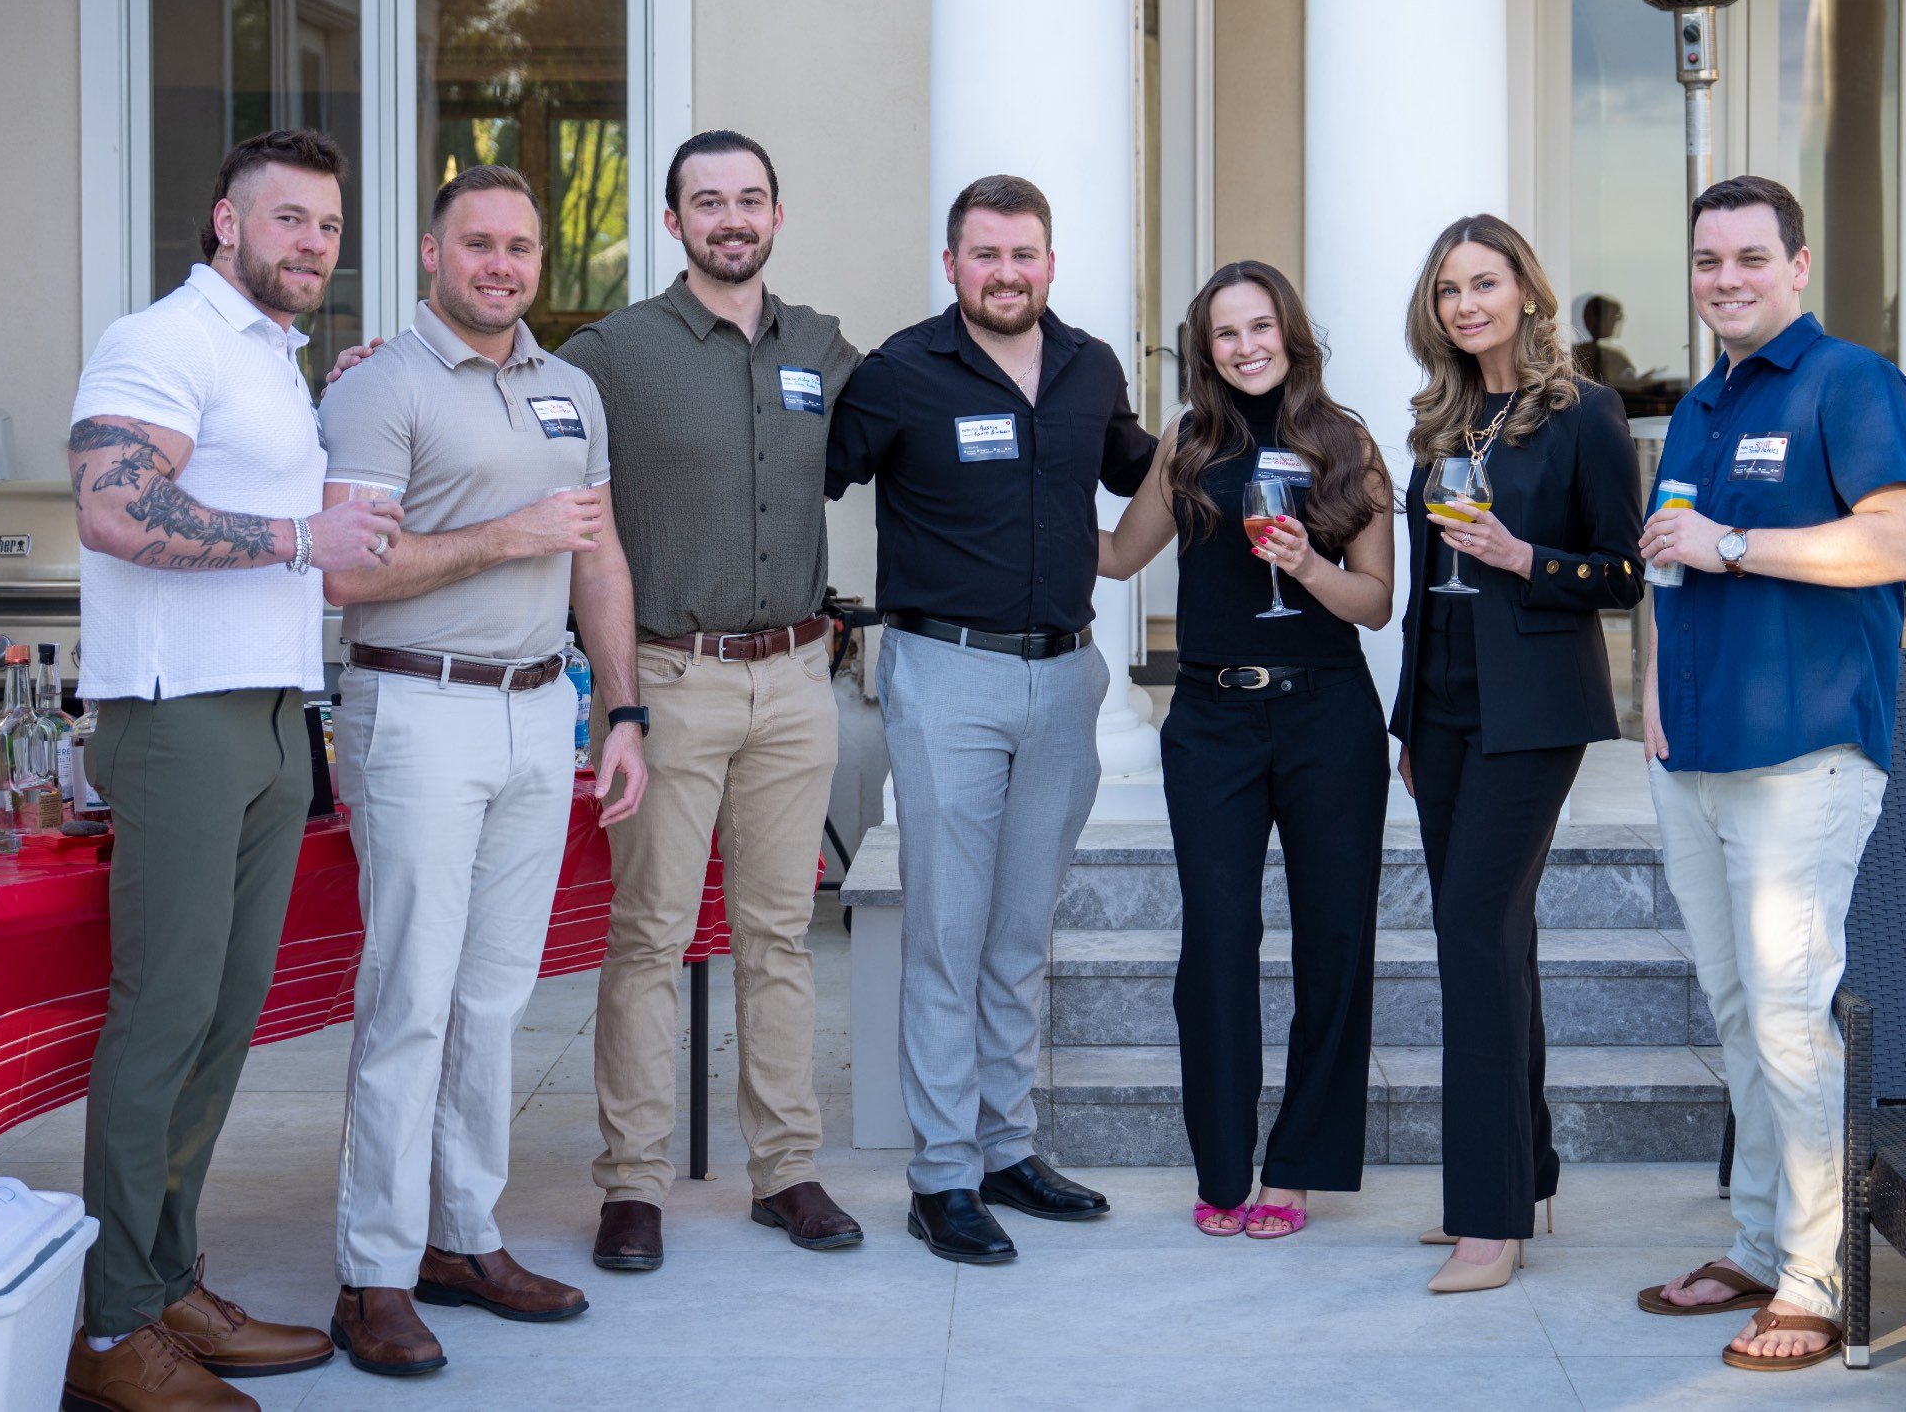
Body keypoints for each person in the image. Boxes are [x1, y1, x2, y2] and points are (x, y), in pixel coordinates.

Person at [64, 129, 399, 1412]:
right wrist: (293, 530)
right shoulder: (160, 339)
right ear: (225, 223)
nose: (312, 242)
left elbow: (257, 482)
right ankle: (109, 1329)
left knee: (221, 1017)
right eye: (287, 219)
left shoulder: (272, 359)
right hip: (176, 712)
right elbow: (113, 506)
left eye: (326, 223)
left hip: (270, 710)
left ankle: (165, 1277)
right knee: (160, 1016)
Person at [313, 164, 643, 1375]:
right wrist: (505, 536)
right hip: (414, 707)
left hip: (533, 713)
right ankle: (375, 1270)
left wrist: (622, 707)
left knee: (495, 996)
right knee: (409, 995)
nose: (500, 264)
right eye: (478, 244)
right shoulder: (381, 388)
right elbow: (347, 574)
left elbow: (596, 559)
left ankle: (464, 1235)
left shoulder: (569, 390)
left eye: (520, 246)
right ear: (429, 254)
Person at [825, 173, 1157, 1266]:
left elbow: (1139, 469)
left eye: (1023, 254)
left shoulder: (1088, 365)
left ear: (1048, 263)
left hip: (1063, 678)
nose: (1004, 273)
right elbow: (799, 474)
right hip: (944, 672)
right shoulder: (897, 374)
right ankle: (940, 1173)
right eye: (983, 254)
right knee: (945, 931)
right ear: (951, 264)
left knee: (1018, 932)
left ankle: (1007, 1146)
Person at [1636, 175, 1906, 1371]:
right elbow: (1666, 554)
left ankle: (1817, 1274)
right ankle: (1759, 1240)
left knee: (1788, 1019)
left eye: (1750, 258)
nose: (1726, 279)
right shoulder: (1702, 403)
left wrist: (1735, 543)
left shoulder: (1847, 381)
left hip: (1802, 754)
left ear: (1796, 266)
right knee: (1736, 1013)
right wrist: (1651, 698)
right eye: (1707, 260)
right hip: (1694, 756)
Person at [556, 131, 868, 1270]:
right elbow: (507, 399)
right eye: (706, 200)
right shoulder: (613, 351)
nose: (729, 217)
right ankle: (631, 1182)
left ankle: (784, 1167)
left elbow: (923, 415)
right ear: (674, 220)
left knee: (780, 935)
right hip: (667, 681)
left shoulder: (824, 347)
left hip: (796, 678)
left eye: (749, 198)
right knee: (646, 936)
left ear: (775, 216)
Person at [1096, 261, 1395, 1242]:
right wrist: (1023, 481)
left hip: (1325, 714)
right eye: (1224, 333)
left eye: (1259, 325)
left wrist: (1307, 562)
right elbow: (1117, 552)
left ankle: (1298, 1164)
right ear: (1204, 348)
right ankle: (1221, 1165)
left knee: (1334, 940)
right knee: (1217, 943)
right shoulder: (1186, 441)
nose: (1244, 345)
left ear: (1289, 332)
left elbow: (1374, 600)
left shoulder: (1345, 438)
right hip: (1210, 716)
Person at [1394, 216, 1643, 1294]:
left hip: (1532, 712)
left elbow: (1622, 573)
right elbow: (1419, 591)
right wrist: (1405, 720)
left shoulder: (1584, 411)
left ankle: (1487, 1218)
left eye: (1483, 283)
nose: (1465, 304)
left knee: (1469, 934)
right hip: (1443, 710)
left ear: (1527, 293)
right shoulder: (1441, 417)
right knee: (1501, 939)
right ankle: (1526, 1171)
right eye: (1448, 288)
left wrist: (1519, 553)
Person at [1571, 293, 1637, 388]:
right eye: (1614, 317)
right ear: (1593, 320)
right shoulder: (1574, 355)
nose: (1616, 322)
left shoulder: (1616, 355)